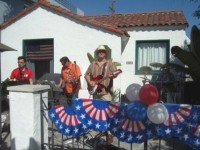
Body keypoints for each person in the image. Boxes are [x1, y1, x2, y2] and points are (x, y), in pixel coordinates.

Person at [84, 45, 121, 145]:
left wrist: (115, 74)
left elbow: (116, 73)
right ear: (97, 53)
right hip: (96, 92)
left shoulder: (110, 63)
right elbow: (86, 74)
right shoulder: (93, 64)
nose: (101, 53)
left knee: (108, 112)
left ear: (105, 53)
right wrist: (90, 81)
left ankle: (109, 134)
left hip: (106, 92)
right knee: (99, 112)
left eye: (103, 51)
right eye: (99, 51)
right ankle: (102, 130)